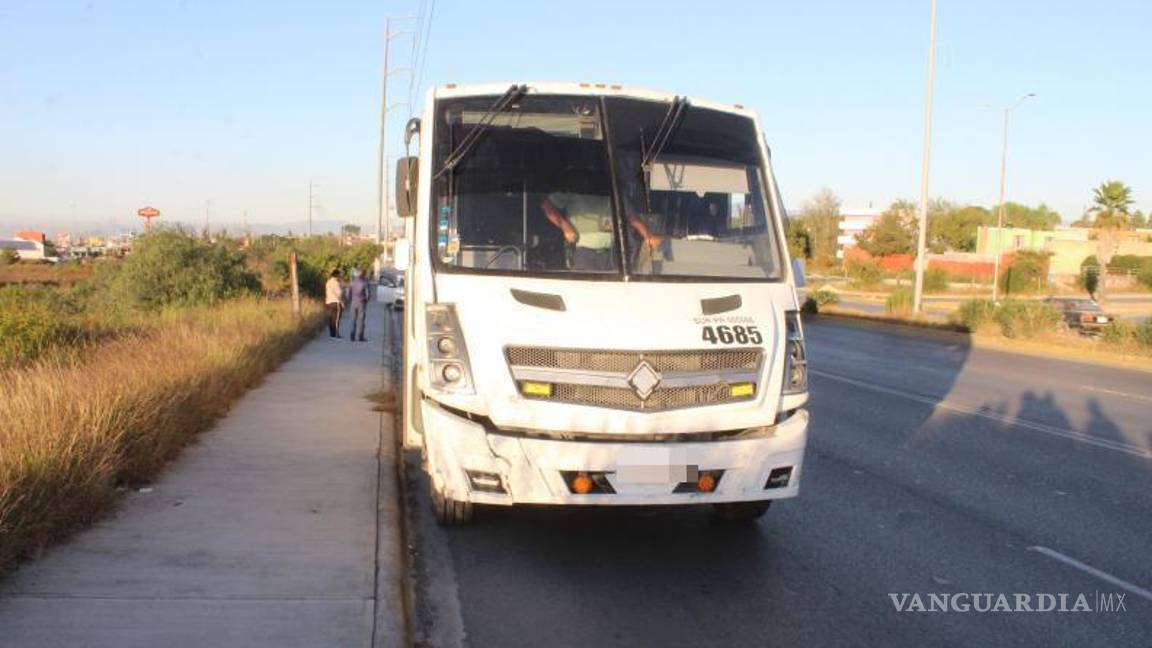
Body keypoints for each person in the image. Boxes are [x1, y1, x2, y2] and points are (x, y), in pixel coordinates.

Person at [540, 193, 662, 271]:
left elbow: (631, 216)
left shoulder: (614, 190)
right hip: (585, 255)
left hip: (613, 255)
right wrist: (565, 226)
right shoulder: (574, 189)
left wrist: (647, 235)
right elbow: (547, 206)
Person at [347, 269, 370, 342]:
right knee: (361, 319)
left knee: (352, 319)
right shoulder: (364, 283)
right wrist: (366, 300)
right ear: (362, 275)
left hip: (353, 302)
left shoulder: (351, 282)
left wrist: (349, 300)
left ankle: (352, 336)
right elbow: (367, 294)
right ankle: (360, 336)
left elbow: (347, 293)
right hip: (361, 302)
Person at [325, 269, 344, 338]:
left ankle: (332, 333)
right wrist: (342, 302)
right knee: (336, 319)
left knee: (331, 318)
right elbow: (339, 293)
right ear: (337, 275)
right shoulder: (335, 282)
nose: (341, 276)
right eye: (340, 274)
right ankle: (336, 333)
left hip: (328, 302)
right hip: (336, 302)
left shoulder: (328, 282)